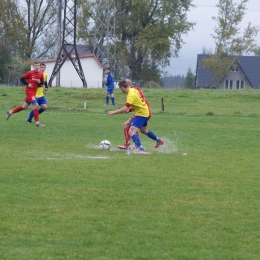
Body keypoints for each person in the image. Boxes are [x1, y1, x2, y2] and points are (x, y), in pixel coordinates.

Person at [108, 79, 164, 154]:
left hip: (142, 114)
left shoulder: (131, 94)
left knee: (131, 131)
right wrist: (131, 109)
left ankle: (140, 149)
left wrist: (113, 112)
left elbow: (124, 109)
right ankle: (158, 140)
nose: (122, 91)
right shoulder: (134, 90)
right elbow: (138, 102)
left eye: (121, 89)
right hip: (143, 112)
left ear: (122, 87)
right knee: (143, 130)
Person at [6, 61, 45, 127]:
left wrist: (39, 82)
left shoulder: (40, 74)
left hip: (34, 92)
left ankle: (10, 112)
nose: (37, 67)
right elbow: (22, 79)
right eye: (36, 65)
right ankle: (37, 123)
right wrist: (28, 84)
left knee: (24, 107)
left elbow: (42, 84)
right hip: (29, 91)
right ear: (33, 66)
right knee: (36, 105)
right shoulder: (30, 73)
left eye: (38, 65)